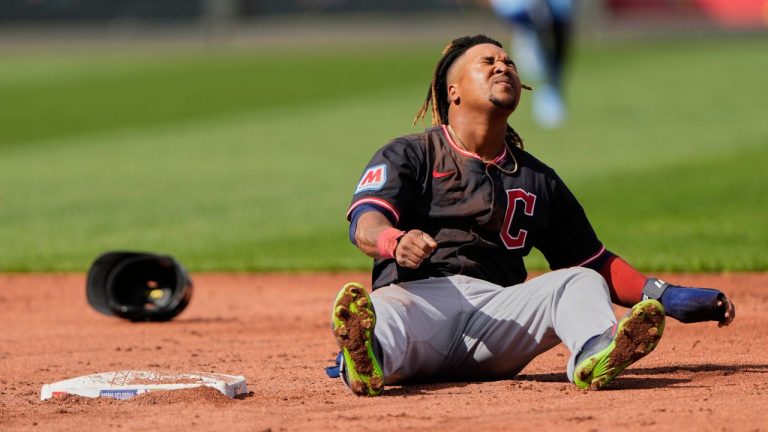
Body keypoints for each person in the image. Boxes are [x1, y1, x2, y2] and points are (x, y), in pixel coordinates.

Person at [328, 35, 735, 396]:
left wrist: (664, 295)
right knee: (384, 313)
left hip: (499, 318)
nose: (503, 66)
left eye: (509, 62)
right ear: (453, 91)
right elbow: (365, 220)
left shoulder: (537, 178)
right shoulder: (410, 154)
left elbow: (592, 260)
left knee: (579, 280)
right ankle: (365, 357)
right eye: (487, 62)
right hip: (420, 302)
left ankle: (595, 352)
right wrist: (393, 241)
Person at [489, 0, 573, 128]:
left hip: (552, 13)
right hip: (524, 12)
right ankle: (547, 89)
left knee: (556, 27)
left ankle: (551, 89)